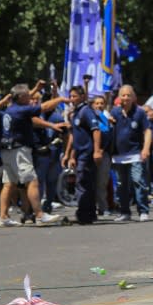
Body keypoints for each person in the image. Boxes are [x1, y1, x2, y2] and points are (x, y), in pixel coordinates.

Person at [0, 82, 67, 227]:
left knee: (9, 184)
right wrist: (61, 99)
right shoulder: (20, 110)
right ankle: (39, 215)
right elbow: (44, 107)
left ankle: (3, 217)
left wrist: (36, 89)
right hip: (19, 150)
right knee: (32, 181)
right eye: (27, 96)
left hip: (7, 150)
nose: (30, 98)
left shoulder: (10, 110)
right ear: (20, 97)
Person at [110, 85, 153, 222]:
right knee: (121, 184)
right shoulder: (114, 112)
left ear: (133, 97)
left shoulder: (139, 113)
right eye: (123, 95)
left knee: (138, 181)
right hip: (118, 155)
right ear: (119, 97)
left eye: (129, 95)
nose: (126, 98)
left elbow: (148, 131)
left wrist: (146, 149)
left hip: (135, 153)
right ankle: (124, 212)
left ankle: (143, 210)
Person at [64, 85, 103, 224]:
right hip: (79, 153)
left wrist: (97, 151)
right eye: (70, 96)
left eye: (74, 96)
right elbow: (76, 136)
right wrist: (71, 155)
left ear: (82, 96)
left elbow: (96, 130)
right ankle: (90, 214)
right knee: (86, 183)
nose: (71, 99)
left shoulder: (86, 111)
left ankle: (83, 214)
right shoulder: (76, 112)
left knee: (82, 183)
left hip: (87, 153)